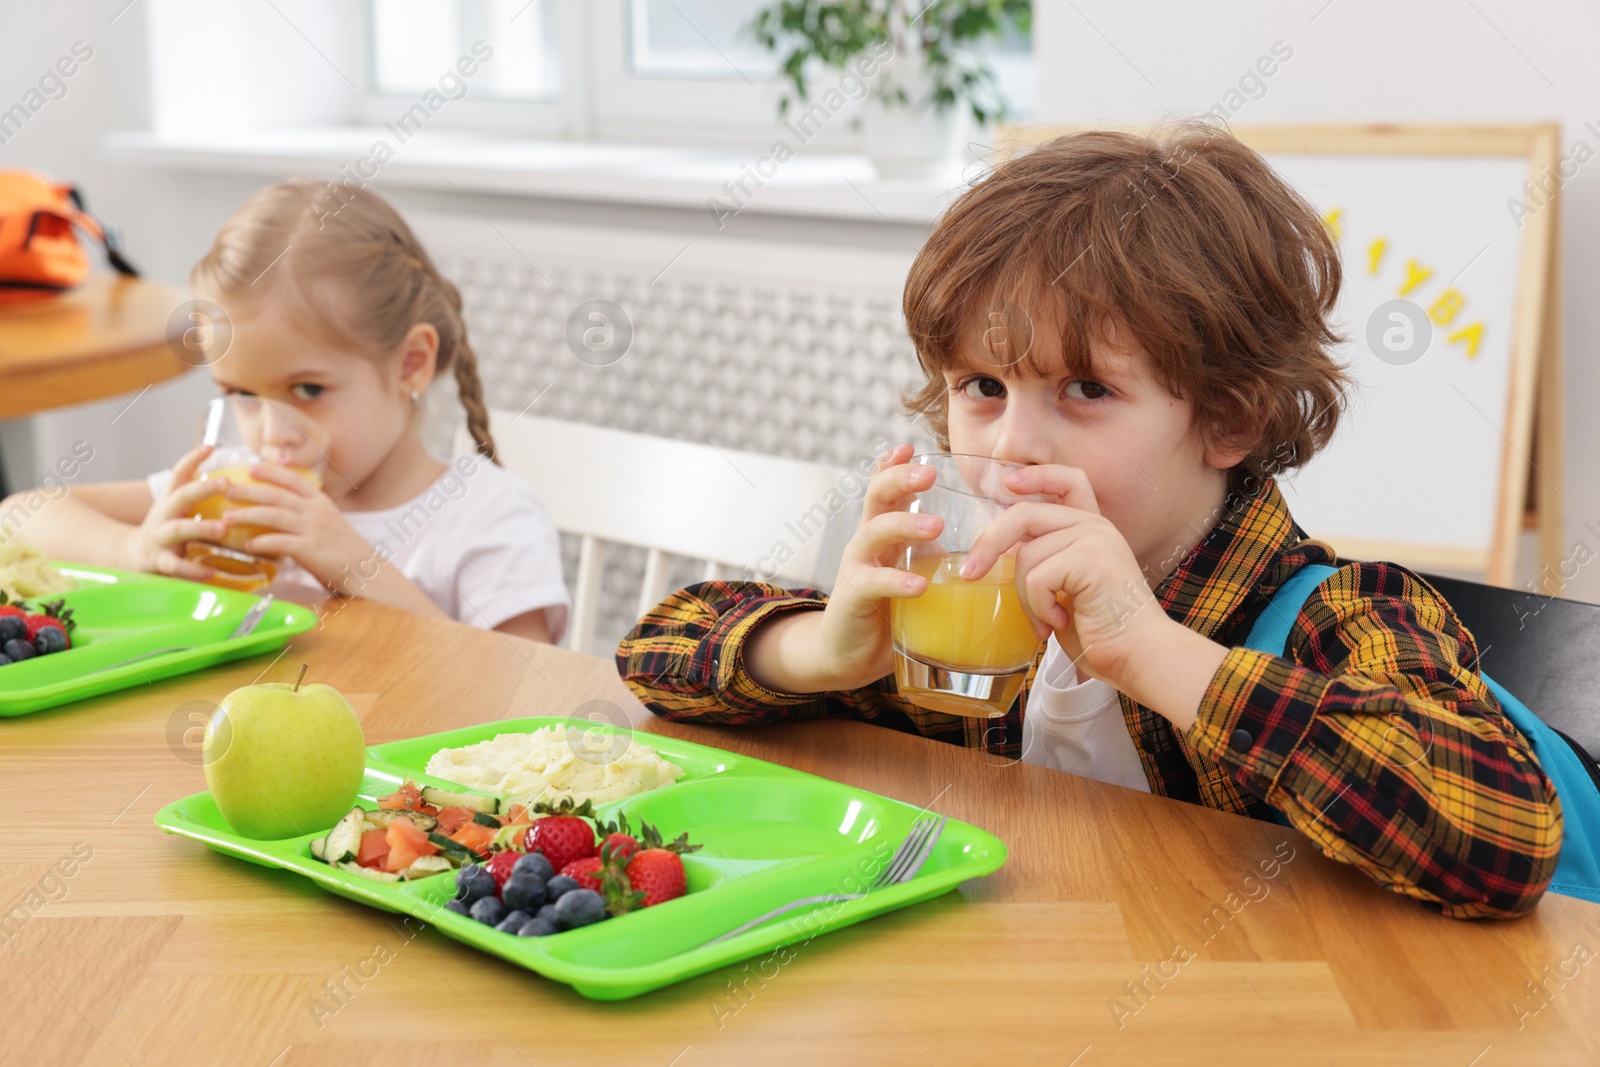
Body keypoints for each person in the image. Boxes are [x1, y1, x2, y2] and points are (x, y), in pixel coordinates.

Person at [617, 122, 1561, 919]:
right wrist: (826, 650)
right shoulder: (980, 603)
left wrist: (1150, 648)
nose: (1016, 443)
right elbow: (655, 650)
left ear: (1228, 416)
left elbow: (1507, 833)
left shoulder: (1338, 615)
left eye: (1086, 389)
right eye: (982, 387)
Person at [5, 179, 569, 642]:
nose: (273, 436)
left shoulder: (486, 518)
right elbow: (18, 515)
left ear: (411, 364)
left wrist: (356, 565)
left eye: (307, 391)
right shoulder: (232, 481)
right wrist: (133, 547)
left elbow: (521, 692)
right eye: (244, 396)